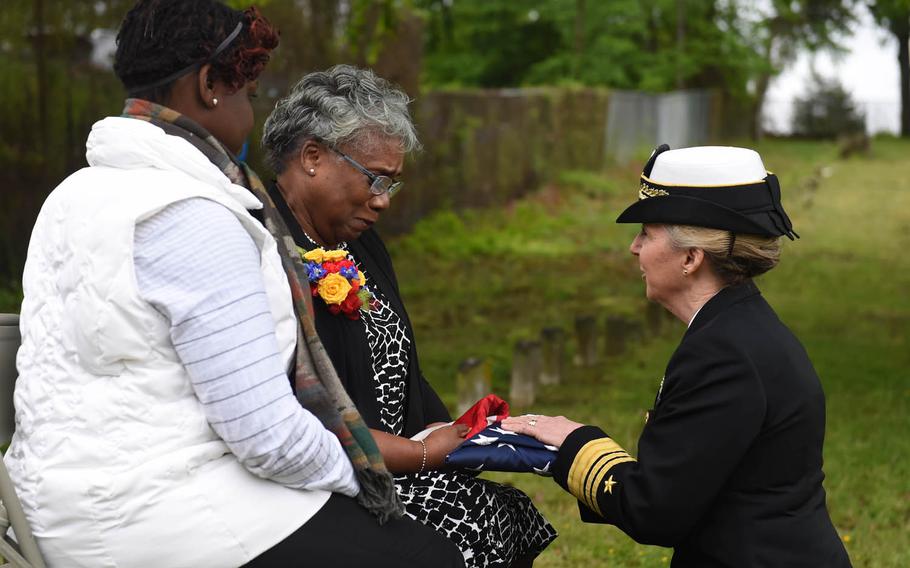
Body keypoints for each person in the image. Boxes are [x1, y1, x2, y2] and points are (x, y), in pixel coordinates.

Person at [4, 2, 463, 567]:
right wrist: (368, 469)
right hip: (156, 517)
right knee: (427, 555)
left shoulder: (74, 195)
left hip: (49, 504)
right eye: (247, 90)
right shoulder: (190, 213)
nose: (252, 112)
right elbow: (267, 438)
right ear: (208, 86)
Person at [260, 65, 557, 568]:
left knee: (506, 513)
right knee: (462, 536)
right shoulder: (265, 247)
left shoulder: (361, 244)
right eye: (374, 178)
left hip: (394, 463)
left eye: (391, 185)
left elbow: (398, 369)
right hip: (327, 484)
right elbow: (292, 418)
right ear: (312, 157)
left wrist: (461, 433)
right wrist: (422, 455)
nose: (382, 200)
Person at [503, 145, 852, 567]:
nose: (634, 248)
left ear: (691, 257)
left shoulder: (722, 354)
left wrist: (574, 443)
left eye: (646, 234)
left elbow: (656, 510)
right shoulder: (738, 328)